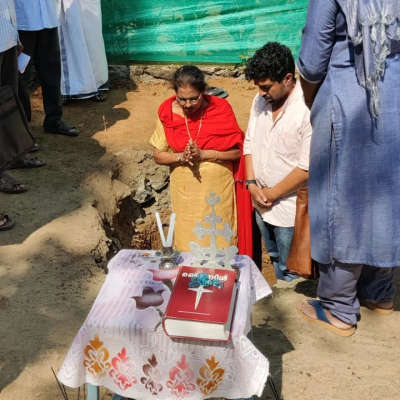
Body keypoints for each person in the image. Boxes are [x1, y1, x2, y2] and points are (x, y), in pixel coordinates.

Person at [297, 0, 400, 336]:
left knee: (339, 202)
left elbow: (312, 63)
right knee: (387, 196)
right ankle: (380, 294)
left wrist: (314, 99)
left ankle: (339, 307)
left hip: (347, 98)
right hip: (395, 100)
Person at [150, 65, 252, 255]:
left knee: (219, 242)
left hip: (218, 194)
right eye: (182, 99)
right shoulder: (167, 112)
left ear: (203, 92)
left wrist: (206, 154)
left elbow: (239, 152)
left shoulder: (220, 109)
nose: (188, 105)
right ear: (175, 93)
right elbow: (158, 155)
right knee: (188, 245)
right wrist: (180, 157)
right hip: (186, 197)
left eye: (193, 99)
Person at [243, 42, 312, 282]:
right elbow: (249, 143)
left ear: (287, 78)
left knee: (293, 273)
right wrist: (251, 183)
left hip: (290, 209)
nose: (261, 93)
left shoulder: (308, 108)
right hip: (260, 203)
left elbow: (307, 168)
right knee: (274, 258)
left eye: (266, 87)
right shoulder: (259, 101)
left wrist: (272, 194)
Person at [14, 0, 80, 136]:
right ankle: (22, 131)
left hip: (48, 20)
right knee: (20, 77)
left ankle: (54, 120)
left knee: (52, 72)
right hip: (24, 23)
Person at [58, 0, 109, 102]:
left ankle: (96, 86)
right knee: (69, 40)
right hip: (66, 6)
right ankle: (68, 90)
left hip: (88, 5)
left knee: (92, 40)